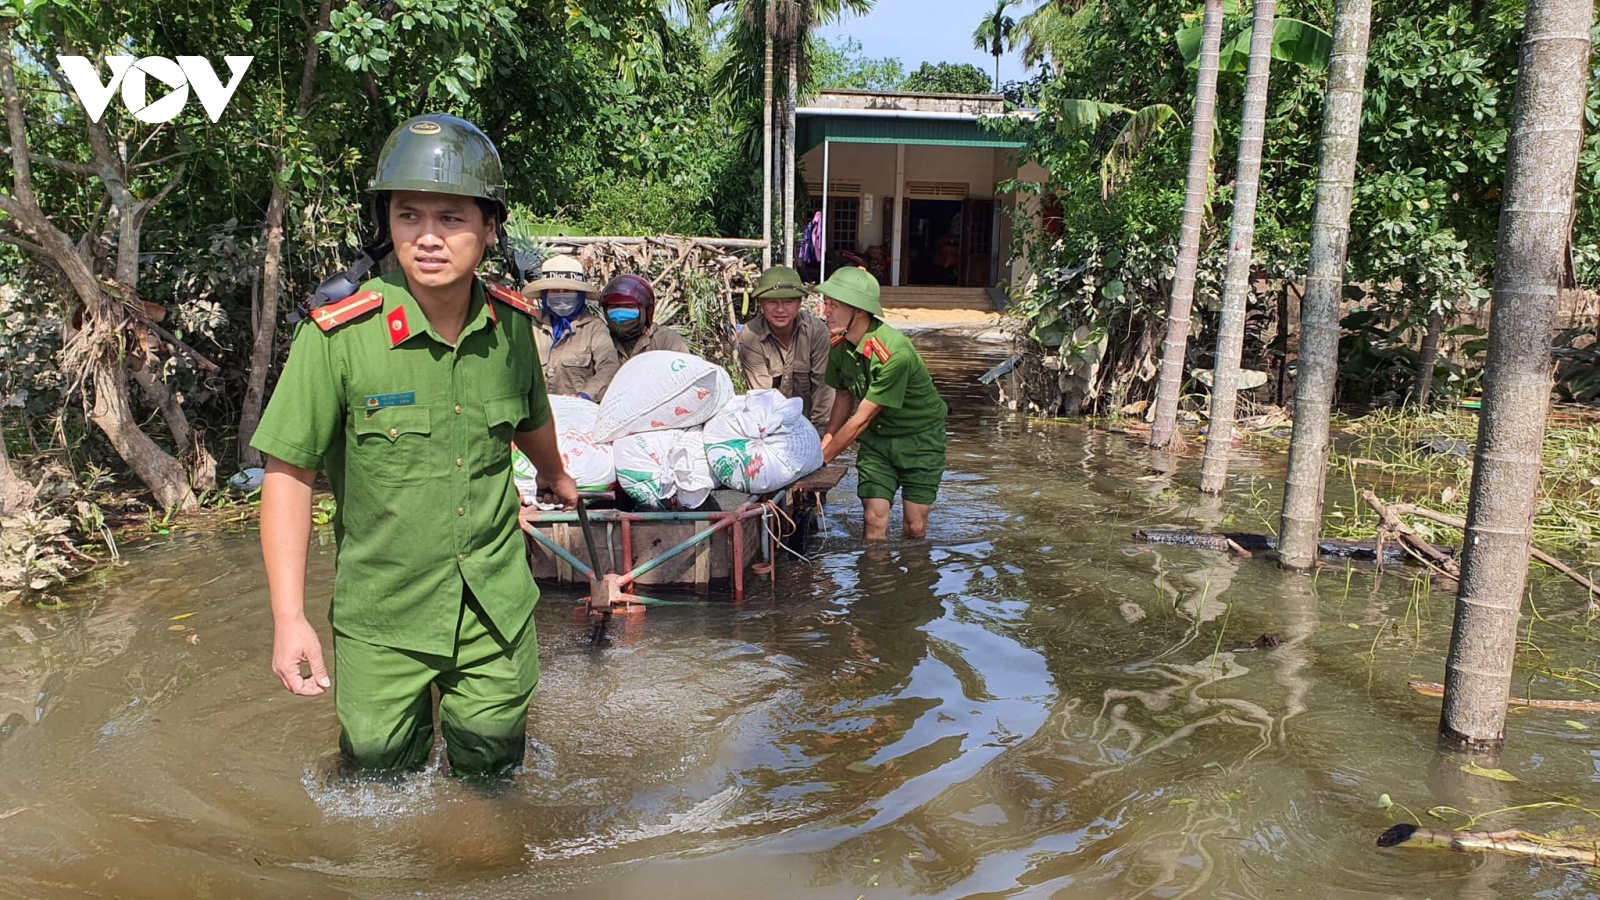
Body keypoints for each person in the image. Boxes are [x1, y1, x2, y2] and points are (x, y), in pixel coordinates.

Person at [251, 113, 579, 779]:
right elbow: (288, 477)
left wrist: (555, 474)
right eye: (409, 216)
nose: (428, 238)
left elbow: (529, 416)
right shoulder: (337, 338)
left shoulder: (512, 328)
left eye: (451, 218)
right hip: (383, 617)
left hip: (494, 609)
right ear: (387, 223)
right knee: (376, 781)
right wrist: (290, 619)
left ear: (490, 228)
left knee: (494, 773)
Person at [818, 266, 948, 542]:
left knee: (914, 526)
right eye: (826, 304)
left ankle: (911, 582)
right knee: (874, 520)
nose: (825, 312)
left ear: (860, 311)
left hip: (920, 440)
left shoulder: (894, 354)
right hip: (877, 441)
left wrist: (823, 460)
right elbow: (843, 396)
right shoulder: (839, 346)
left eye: (834, 306)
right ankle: (875, 582)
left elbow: (861, 419)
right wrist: (823, 446)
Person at [735, 266, 835, 433]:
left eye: (788, 302)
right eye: (772, 302)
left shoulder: (816, 332)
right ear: (761, 304)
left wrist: (818, 439)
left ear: (799, 303)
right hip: (771, 427)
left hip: (811, 425)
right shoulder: (750, 335)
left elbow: (823, 392)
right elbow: (762, 399)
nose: (780, 309)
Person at [525, 254, 619, 401]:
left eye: (568, 291)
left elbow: (609, 367)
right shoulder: (530, 325)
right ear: (544, 294)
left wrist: (584, 395)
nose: (561, 296)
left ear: (580, 295)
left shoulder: (594, 328)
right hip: (535, 414)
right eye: (555, 291)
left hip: (579, 413)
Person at [600, 272, 688, 362]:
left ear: (646, 311)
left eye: (629, 307)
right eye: (613, 308)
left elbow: (684, 372)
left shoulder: (666, 340)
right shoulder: (601, 339)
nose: (619, 314)